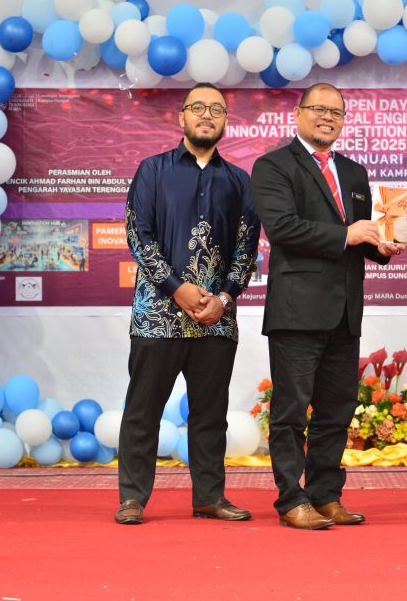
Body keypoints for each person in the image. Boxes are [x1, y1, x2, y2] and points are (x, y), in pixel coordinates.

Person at [251, 83, 402, 530]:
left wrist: (384, 245)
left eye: (336, 112)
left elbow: (361, 234)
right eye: (318, 109)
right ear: (298, 114)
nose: (327, 117)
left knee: (336, 410)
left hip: (344, 311)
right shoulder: (273, 166)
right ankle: (291, 499)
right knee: (291, 413)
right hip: (296, 311)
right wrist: (348, 236)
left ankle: (326, 494)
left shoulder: (355, 173)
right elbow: (283, 229)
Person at [115, 83, 260, 525]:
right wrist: (178, 288)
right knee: (143, 411)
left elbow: (246, 249)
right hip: (157, 317)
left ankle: (209, 497)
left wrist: (225, 297)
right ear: (182, 117)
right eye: (198, 107)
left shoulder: (238, 181)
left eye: (216, 109)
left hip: (215, 321)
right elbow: (139, 237)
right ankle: (133, 498)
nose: (207, 115)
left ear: (224, 122)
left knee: (210, 416)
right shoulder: (153, 171)